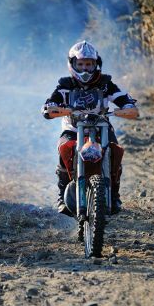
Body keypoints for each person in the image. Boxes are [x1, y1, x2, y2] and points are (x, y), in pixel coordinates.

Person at [42, 40, 139, 216]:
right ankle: (62, 198)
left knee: (115, 152)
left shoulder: (105, 83)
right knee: (64, 150)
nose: (85, 68)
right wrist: (52, 108)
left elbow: (124, 99)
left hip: (101, 126)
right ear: (73, 64)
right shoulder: (65, 85)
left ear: (96, 64)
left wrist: (127, 106)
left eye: (89, 64)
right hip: (73, 128)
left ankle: (114, 195)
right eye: (80, 64)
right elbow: (50, 104)